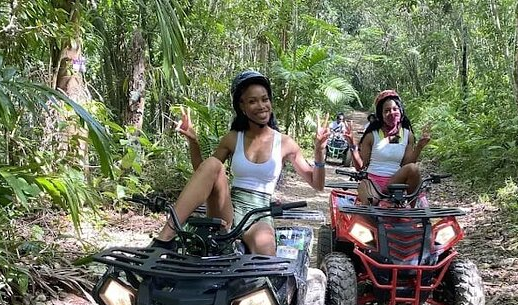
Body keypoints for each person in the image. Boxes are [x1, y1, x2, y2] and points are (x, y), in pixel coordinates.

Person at [151, 70, 328, 255]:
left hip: (259, 214)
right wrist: (193, 142)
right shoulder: (233, 138)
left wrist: (319, 151)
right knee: (213, 164)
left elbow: (317, 184)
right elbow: (204, 173)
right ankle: (164, 239)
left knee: (265, 249)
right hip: (228, 208)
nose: (261, 106)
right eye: (253, 101)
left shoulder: (285, 143)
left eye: (265, 99)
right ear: (242, 106)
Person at [345, 90, 431, 205]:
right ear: (381, 115)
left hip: (395, 182)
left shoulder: (407, 135)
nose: (392, 113)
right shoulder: (371, 135)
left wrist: (419, 146)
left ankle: (413, 206)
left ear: (400, 111)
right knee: (372, 202)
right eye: (387, 111)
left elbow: (407, 164)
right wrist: (353, 146)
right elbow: (360, 167)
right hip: (372, 181)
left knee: (413, 168)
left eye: (395, 109)